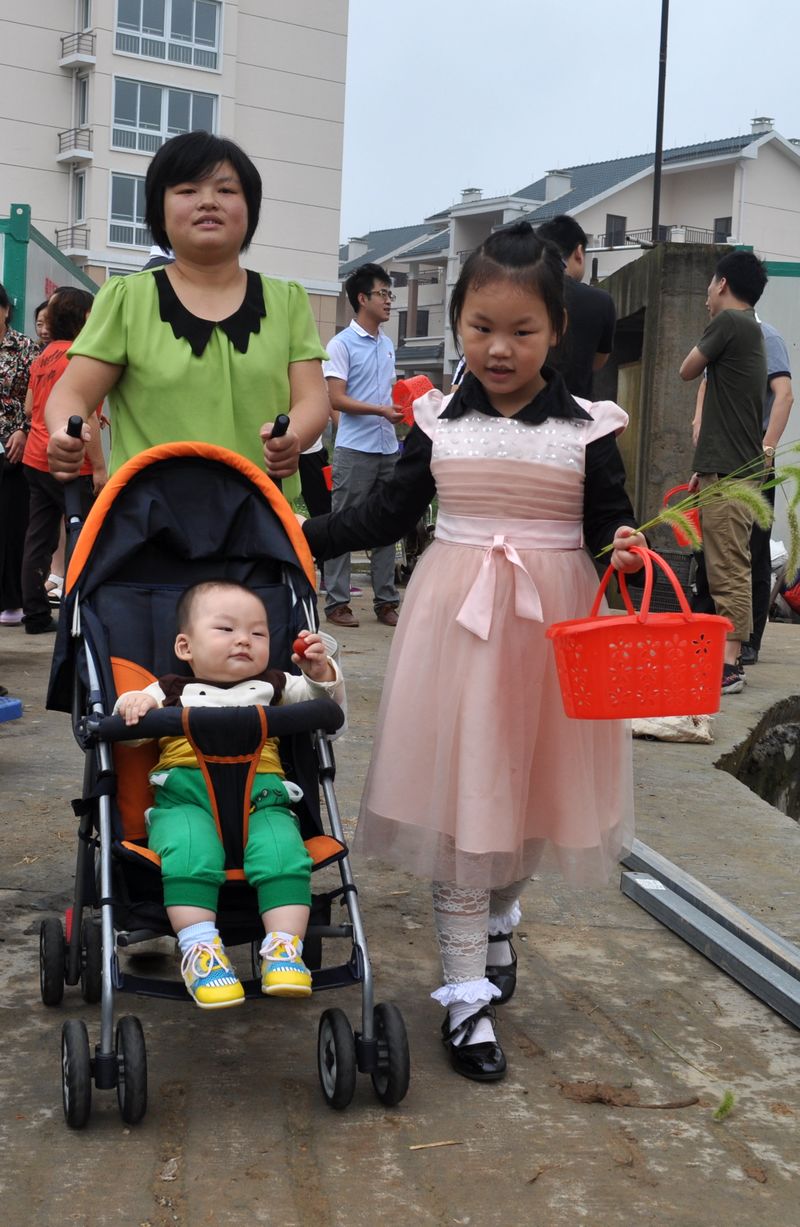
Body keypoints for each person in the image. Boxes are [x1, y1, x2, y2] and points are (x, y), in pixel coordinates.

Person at [302, 222, 645, 1081]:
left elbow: (610, 521)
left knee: (533, 799)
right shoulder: (437, 421)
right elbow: (387, 514)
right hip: (456, 632)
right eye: (481, 327)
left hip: (551, 635)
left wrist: (628, 545)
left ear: (556, 330)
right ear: (457, 323)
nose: (499, 348)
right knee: (464, 806)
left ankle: (497, 922)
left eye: (522, 330)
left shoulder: (589, 428)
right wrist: (303, 534)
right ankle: (464, 997)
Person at [45, 131, 330, 499]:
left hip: (260, 513)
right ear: (159, 211)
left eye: (226, 190)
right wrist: (63, 433)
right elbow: (72, 393)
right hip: (149, 518)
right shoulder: (127, 299)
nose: (208, 202)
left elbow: (313, 399)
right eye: (187, 190)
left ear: (250, 208)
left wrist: (293, 435)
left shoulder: (287, 301)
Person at [114, 579, 345, 1008]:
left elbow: (328, 712)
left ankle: (284, 949)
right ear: (185, 647)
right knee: (188, 850)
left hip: (264, 800)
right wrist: (133, 706)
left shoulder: (277, 686)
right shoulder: (167, 690)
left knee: (285, 853)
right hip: (186, 801)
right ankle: (201, 950)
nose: (244, 640)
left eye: (258, 633)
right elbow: (127, 737)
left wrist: (321, 675)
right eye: (226, 629)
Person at [680, 250, 768, 694]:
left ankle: (730, 665)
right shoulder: (749, 328)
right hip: (729, 467)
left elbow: (686, 370)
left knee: (728, 567)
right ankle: (726, 656)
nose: (706, 296)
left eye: (710, 286)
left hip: (730, 472)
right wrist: (704, 467)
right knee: (725, 564)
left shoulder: (730, 322)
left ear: (722, 284)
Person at [691, 319, 794, 665]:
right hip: (717, 458)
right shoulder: (718, 334)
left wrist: (766, 451)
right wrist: (700, 430)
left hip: (751, 458)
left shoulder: (768, 337)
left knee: (753, 550)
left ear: (724, 291)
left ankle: (746, 643)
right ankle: (706, 638)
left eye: (711, 292)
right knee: (709, 551)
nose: (707, 300)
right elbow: (705, 385)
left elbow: (784, 395)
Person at [322, 262, 403, 628]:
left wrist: (400, 406)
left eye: (390, 294)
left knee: (388, 524)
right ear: (362, 298)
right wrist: (380, 410)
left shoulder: (387, 344)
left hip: (388, 448)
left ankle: (386, 602)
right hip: (355, 449)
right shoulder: (341, 344)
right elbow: (336, 399)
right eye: (382, 293)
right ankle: (337, 604)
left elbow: (388, 392)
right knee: (343, 524)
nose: (389, 301)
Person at [21, 288, 106, 634]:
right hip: (72, 463)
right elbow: (86, 418)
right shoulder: (80, 357)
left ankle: (35, 614)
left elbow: (30, 408)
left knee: (38, 539)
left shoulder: (43, 356)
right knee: (83, 537)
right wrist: (99, 467)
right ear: (84, 317)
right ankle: (78, 616)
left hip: (35, 457)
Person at [536, 215, 616, 399]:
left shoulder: (522, 294)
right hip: (575, 408)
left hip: (523, 406)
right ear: (579, 252)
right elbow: (597, 362)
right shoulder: (601, 301)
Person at [0, 282, 37, 627]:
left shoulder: (25, 347)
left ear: (6, 310)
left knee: (12, 525)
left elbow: (37, 395)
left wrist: (24, 431)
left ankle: (12, 601)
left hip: (12, 448)